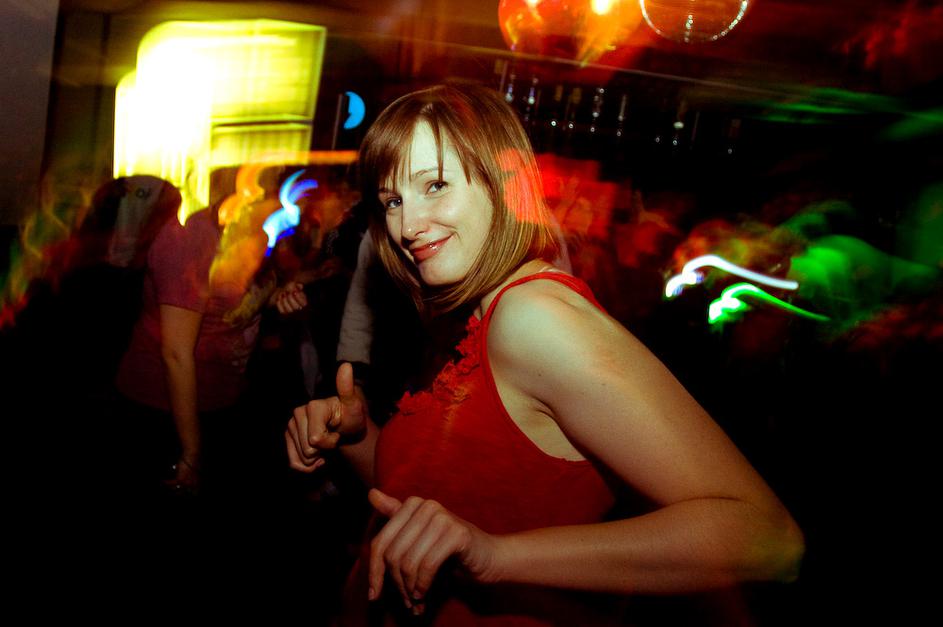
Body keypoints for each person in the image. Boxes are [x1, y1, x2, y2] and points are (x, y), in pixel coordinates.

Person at [285, 83, 804, 626]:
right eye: (393, 201)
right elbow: (430, 499)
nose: (407, 226)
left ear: (507, 184)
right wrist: (355, 434)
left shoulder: (534, 318)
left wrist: (496, 558)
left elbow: (768, 539)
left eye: (435, 185)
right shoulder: (472, 315)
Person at [115, 187, 268, 498]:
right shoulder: (189, 233)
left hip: (222, 397)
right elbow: (176, 353)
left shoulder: (248, 219)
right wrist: (191, 451)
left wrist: (291, 288)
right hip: (165, 413)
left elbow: (239, 298)